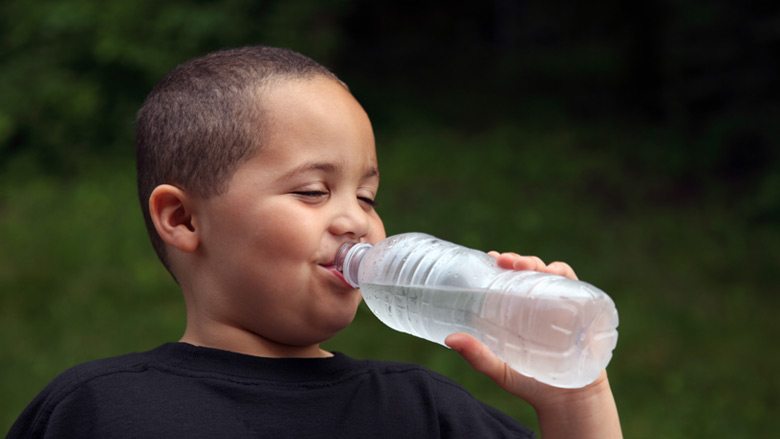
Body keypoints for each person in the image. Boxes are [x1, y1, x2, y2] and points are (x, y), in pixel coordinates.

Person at [8, 46, 621, 438]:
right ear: (184, 220)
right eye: (311, 191)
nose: (356, 220)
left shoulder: (424, 412)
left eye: (368, 196)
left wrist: (574, 399)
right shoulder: (104, 410)